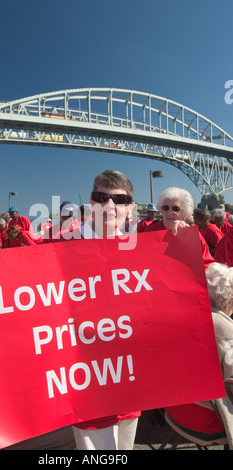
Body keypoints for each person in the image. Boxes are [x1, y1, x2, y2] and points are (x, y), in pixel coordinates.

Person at [52, 170, 140, 450]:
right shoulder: (61, 242)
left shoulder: (143, 247)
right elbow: (6, 285)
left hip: (131, 368)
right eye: (101, 197)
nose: (110, 205)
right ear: (91, 203)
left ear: (131, 209)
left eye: (119, 199)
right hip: (86, 370)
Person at [164, 262, 233, 449]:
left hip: (173, 409)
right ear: (228, 301)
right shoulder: (223, 329)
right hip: (207, 423)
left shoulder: (181, 315)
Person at [145, 187, 214, 268]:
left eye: (175, 208)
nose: (169, 212)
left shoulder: (194, 235)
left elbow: (207, 265)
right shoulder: (150, 232)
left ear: (184, 213)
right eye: (165, 208)